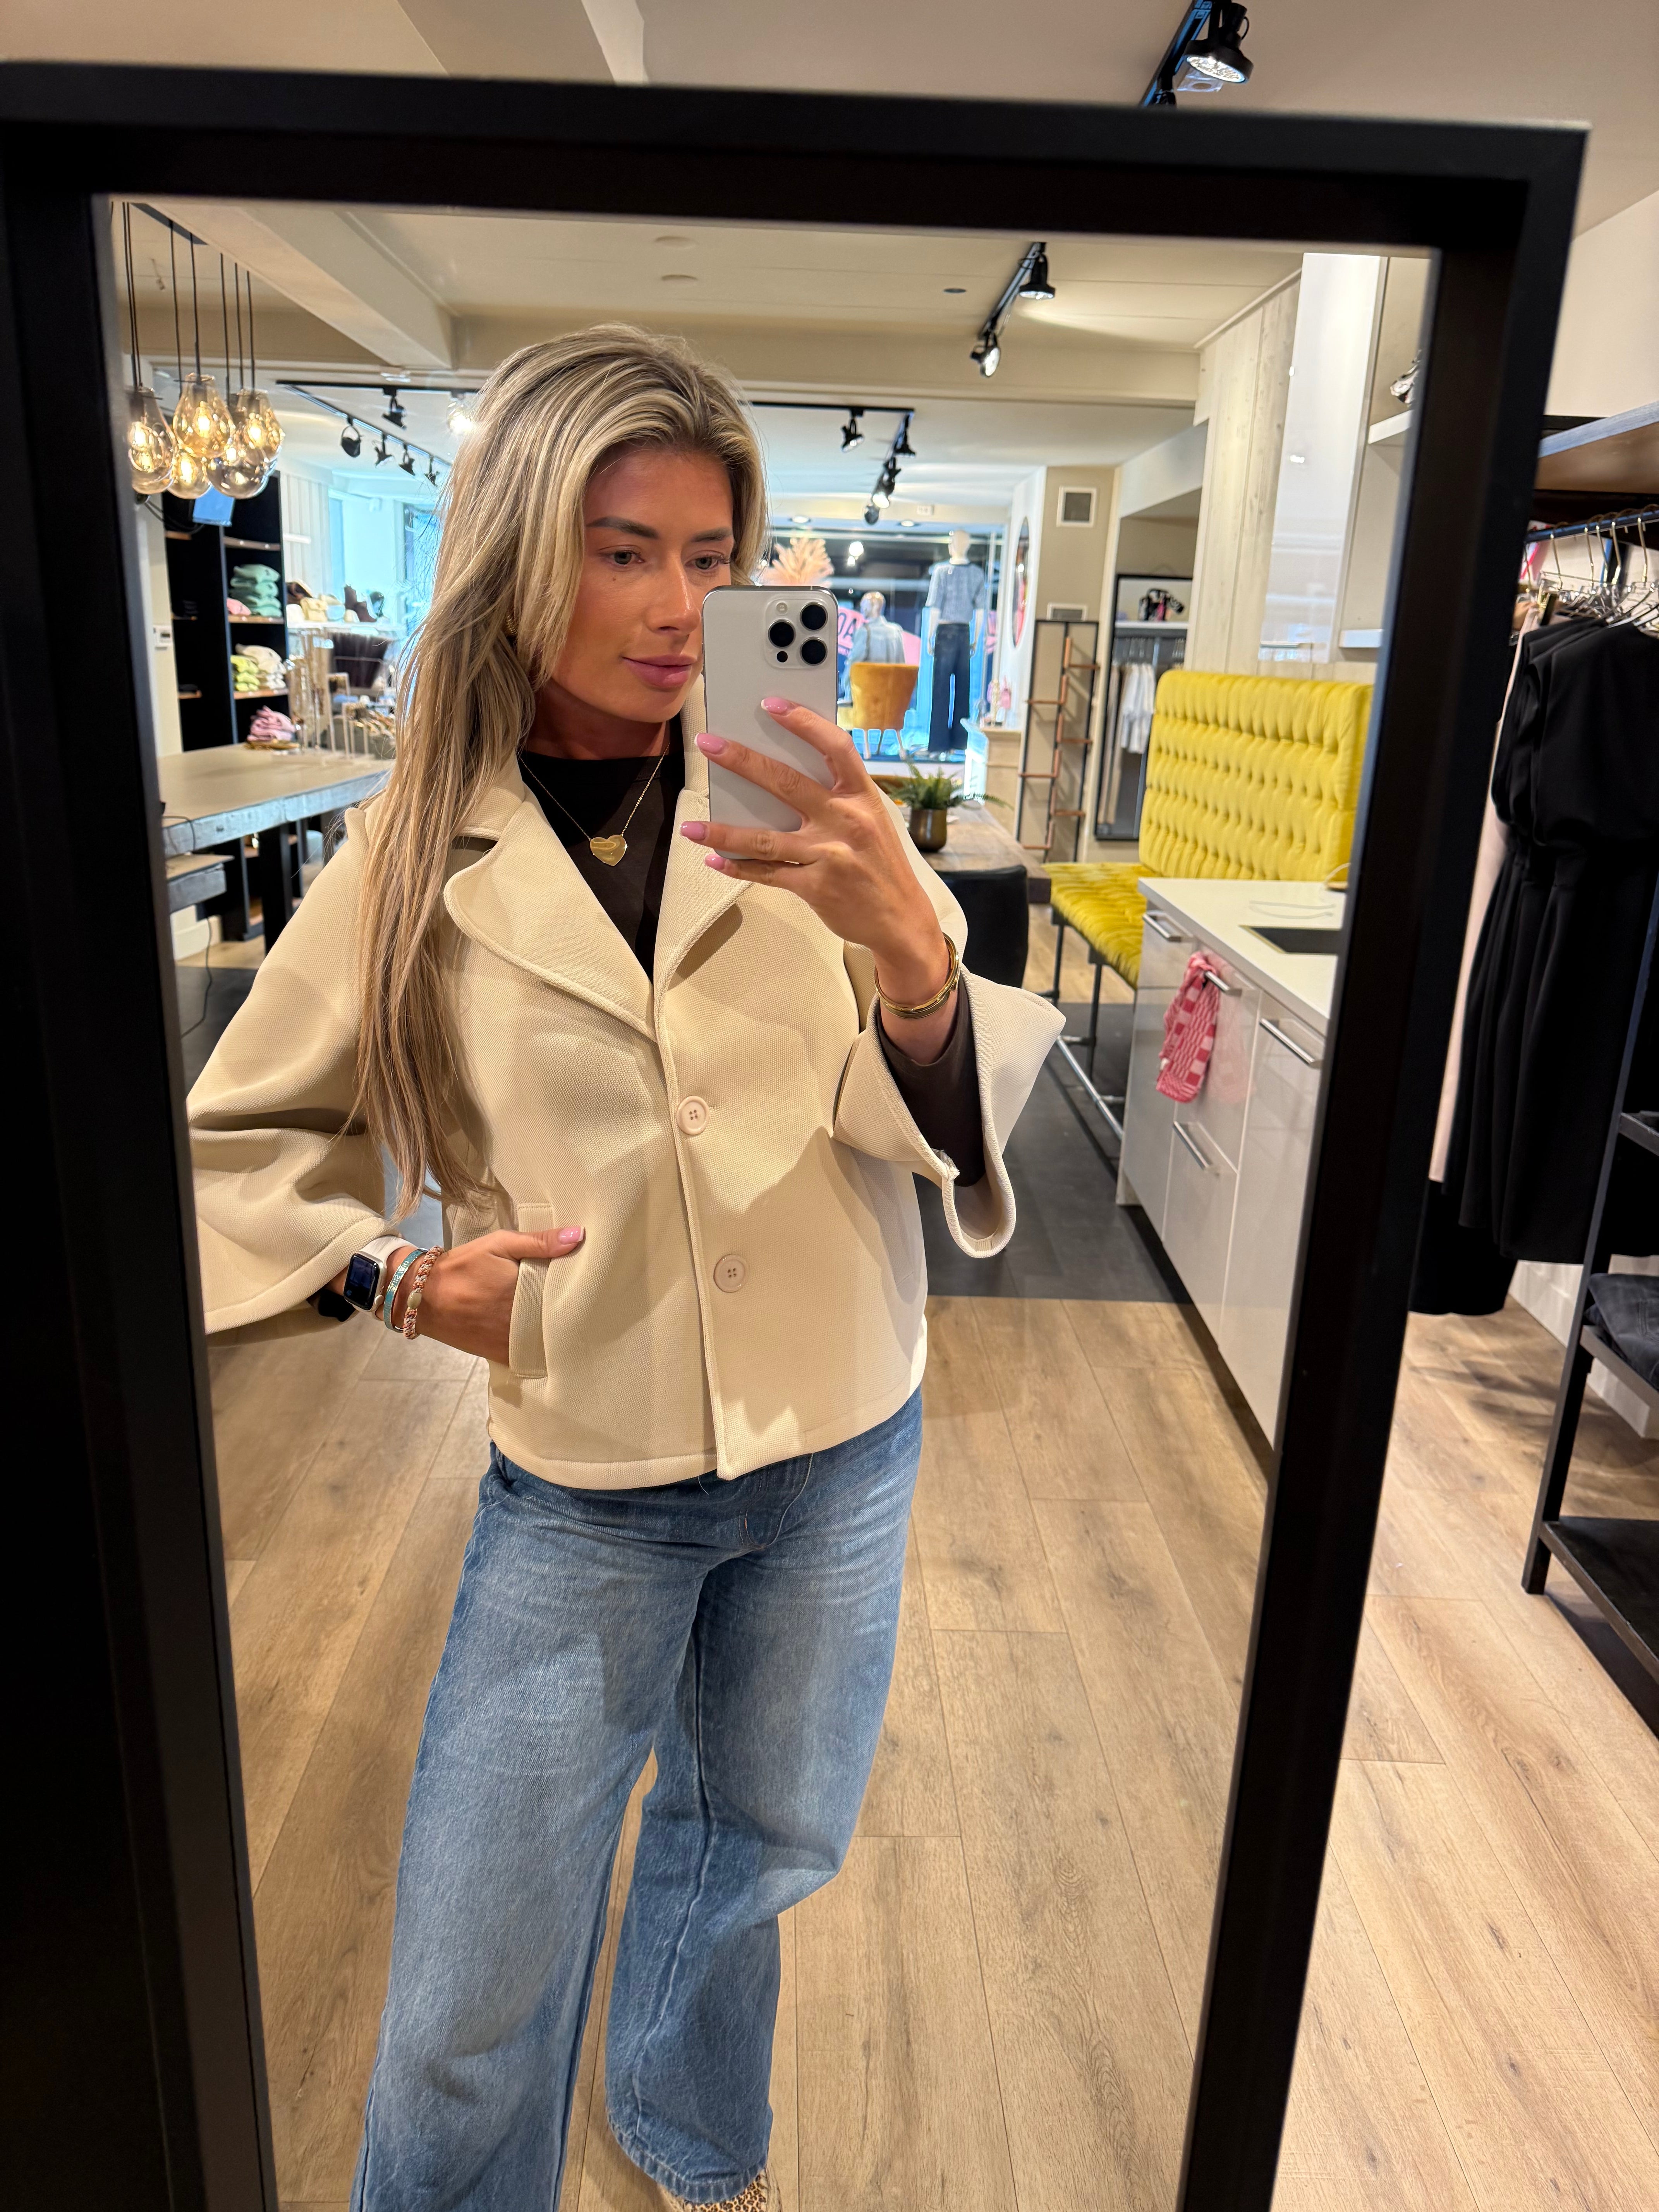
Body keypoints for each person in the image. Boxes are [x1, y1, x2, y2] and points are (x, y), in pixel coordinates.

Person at [188, 326, 1061, 2212]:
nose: (681, 608)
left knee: (761, 1850)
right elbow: (229, 1151)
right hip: (592, 1465)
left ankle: (690, 2131)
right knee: (473, 1969)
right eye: (624, 550)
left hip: (844, 1430)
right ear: (521, 555)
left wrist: (917, 956)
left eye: (714, 556)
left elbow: (930, 1111)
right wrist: (392, 1280)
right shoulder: (411, 855)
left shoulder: (811, 803)